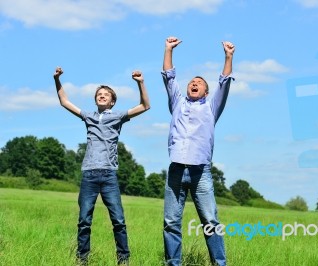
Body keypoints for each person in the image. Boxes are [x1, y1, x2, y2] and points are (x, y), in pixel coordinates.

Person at [53, 67, 150, 265]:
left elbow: (144, 106)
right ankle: (82, 260)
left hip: (109, 175)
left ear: (112, 101)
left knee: (119, 221)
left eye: (106, 94)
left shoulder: (118, 116)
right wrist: (57, 79)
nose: (102, 96)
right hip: (89, 174)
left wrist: (140, 82)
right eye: (99, 94)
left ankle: (123, 259)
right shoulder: (88, 116)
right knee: (84, 221)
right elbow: (64, 101)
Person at [161, 36, 235, 266]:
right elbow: (168, 77)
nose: (194, 83)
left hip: (200, 172)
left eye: (199, 83)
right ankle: (173, 263)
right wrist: (168, 50)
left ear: (205, 91)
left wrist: (228, 56)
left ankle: (219, 264)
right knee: (171, 222)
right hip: (176, 169)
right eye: (191, 81)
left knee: (210, 220)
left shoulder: (212, 107)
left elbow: (224, 82)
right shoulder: (177, 103)